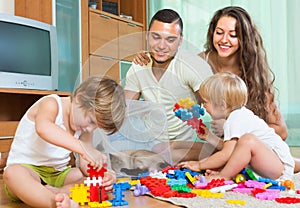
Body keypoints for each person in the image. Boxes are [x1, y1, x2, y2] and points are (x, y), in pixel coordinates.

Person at [133, 6, 300, 173]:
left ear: (244, 39)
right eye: (219, 32)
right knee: (163, 149)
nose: (224, 40)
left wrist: (235, 130)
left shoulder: (254, 74)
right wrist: (149, 56)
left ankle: (279, 164)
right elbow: (171, 65)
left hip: (247, 144)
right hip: (220, 144)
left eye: (233, 35)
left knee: (280, 161)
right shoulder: (199, 62)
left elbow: (281, 132)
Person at [3, 76, 126, 208]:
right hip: (28, 169)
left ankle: (59, 194)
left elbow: (86, 165)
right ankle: (53, 202)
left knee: (90, 180)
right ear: (79, 99)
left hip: (58, 174)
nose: (90, 129)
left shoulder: (84, 128)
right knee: (13, 173)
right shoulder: (51, 103)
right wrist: (84, 149)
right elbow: (43, 128)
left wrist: (103, 174)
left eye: (96, 127)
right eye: (91, 121)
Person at [124, 8, 213, 164]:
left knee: (162, 153)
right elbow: (124, 109)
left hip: (185, 145)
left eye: (170, 39)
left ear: (180, 40)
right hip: (151, 144)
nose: (161, 46)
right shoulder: (138, 66)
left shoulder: (191, 65)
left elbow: (216, 107)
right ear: (147, 35)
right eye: (156, 37)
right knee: (124, 155)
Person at [178, 72, 295, 182]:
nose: (203, 106)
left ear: (222, 105)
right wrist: (209, 137)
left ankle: (224, 177)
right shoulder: (237, 116)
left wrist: (200, 165)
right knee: (243, 144)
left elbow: (226, 154)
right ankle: (227, 173)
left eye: (206, 102)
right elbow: (231, 149)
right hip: (273, 164)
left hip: (279, 168)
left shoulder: (236, 120)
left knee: (248, 140)